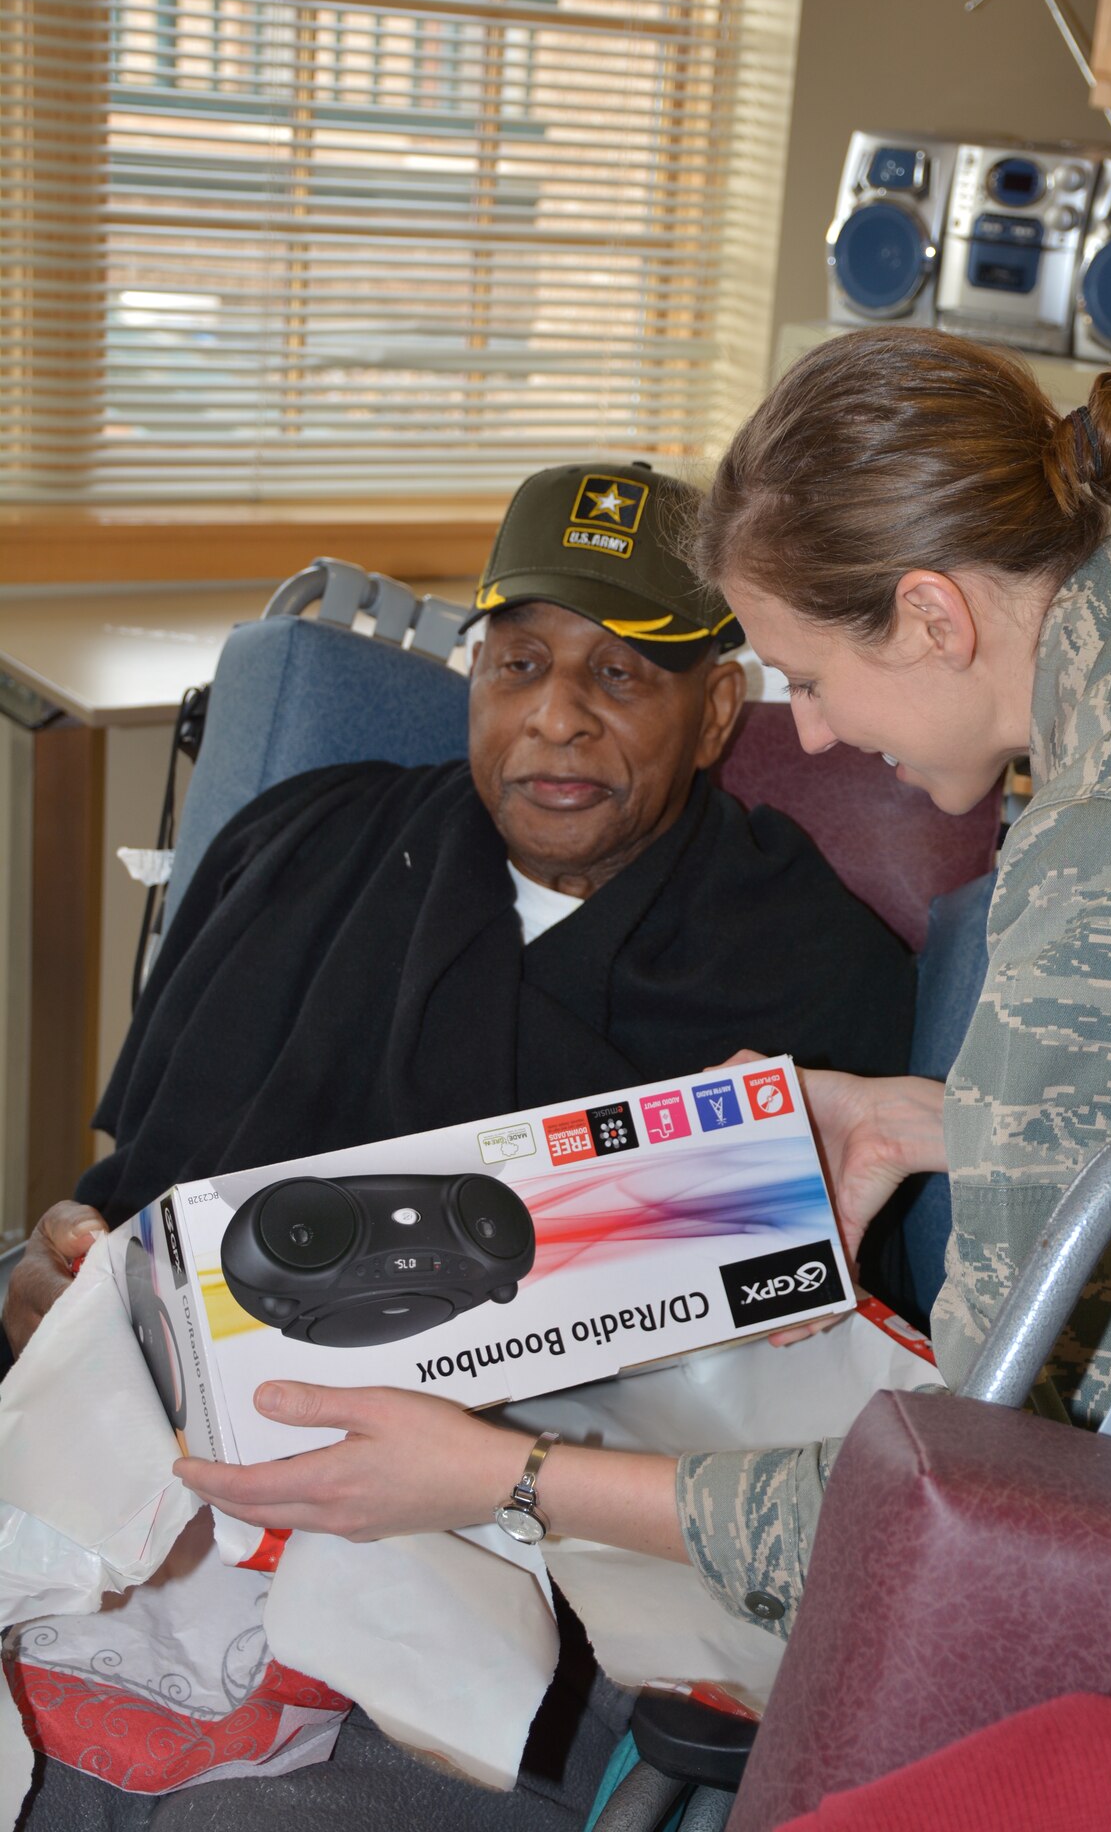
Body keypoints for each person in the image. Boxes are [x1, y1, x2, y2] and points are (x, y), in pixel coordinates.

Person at [170, 325, 1111, 1651]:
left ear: (932, 616)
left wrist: (509, 1478)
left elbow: (994, 1490)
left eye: (816, 682)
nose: (821, 734)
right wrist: (941, 1121)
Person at [5, 456, 917, 1830]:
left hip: (509, 1542)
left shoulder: (806, 972)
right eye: (518, 663)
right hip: (162, 1438)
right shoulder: (304, 851)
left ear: (717, 707)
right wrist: (61, 1258)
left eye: (621, 677)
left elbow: (769, 1375)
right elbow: (128, 1198)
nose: (554, 718)